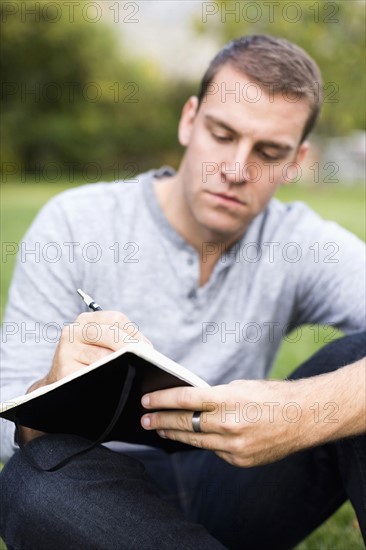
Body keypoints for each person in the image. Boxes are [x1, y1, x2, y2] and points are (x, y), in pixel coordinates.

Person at [0, 35, 365, 549]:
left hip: (240, 482)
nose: (236, 170)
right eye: (222, 134)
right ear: (189, 120)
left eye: (269, 152)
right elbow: (9, 428)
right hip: (100, 493)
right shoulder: (75, 223)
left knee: (356, 364)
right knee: (30, 482)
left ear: (296, 161)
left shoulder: (301, 243)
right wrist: (51, 391)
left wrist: (301, 412)